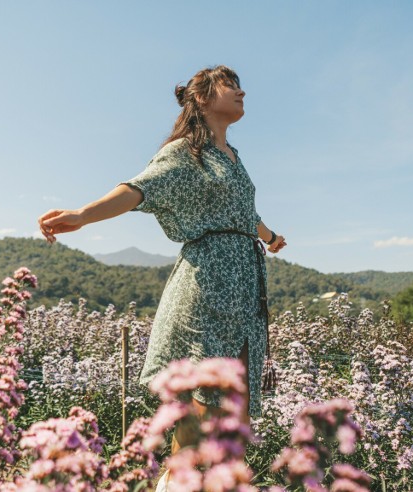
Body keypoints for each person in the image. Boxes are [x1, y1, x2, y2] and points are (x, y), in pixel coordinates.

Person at [37, 65, 286, 487]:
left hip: (245, 294)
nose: (243, 92)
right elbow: (138, 189)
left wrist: (270, 235)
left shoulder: (233, 157)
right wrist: (82, 215)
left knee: (235, 420)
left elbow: (245, 211)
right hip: (206, 290)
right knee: (198, 426)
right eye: (231, 86)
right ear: (203, 98)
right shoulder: (185, 152)